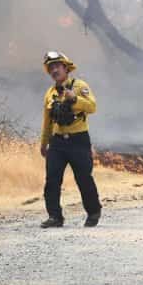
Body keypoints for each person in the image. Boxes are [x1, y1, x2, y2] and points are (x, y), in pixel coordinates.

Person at [39, 51, 102, 228]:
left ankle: (93, 212)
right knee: (52, 180)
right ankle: (55, 217)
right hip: (57, 142)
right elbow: (47, 121)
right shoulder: (50, 93)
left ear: (66, 68)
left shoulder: (80, 86)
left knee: (83, 178)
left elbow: (93, 107)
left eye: (57, 66)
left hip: (78, 140)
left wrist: (75, 99)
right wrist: (44, 143)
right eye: (51, 68)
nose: (54, 70)